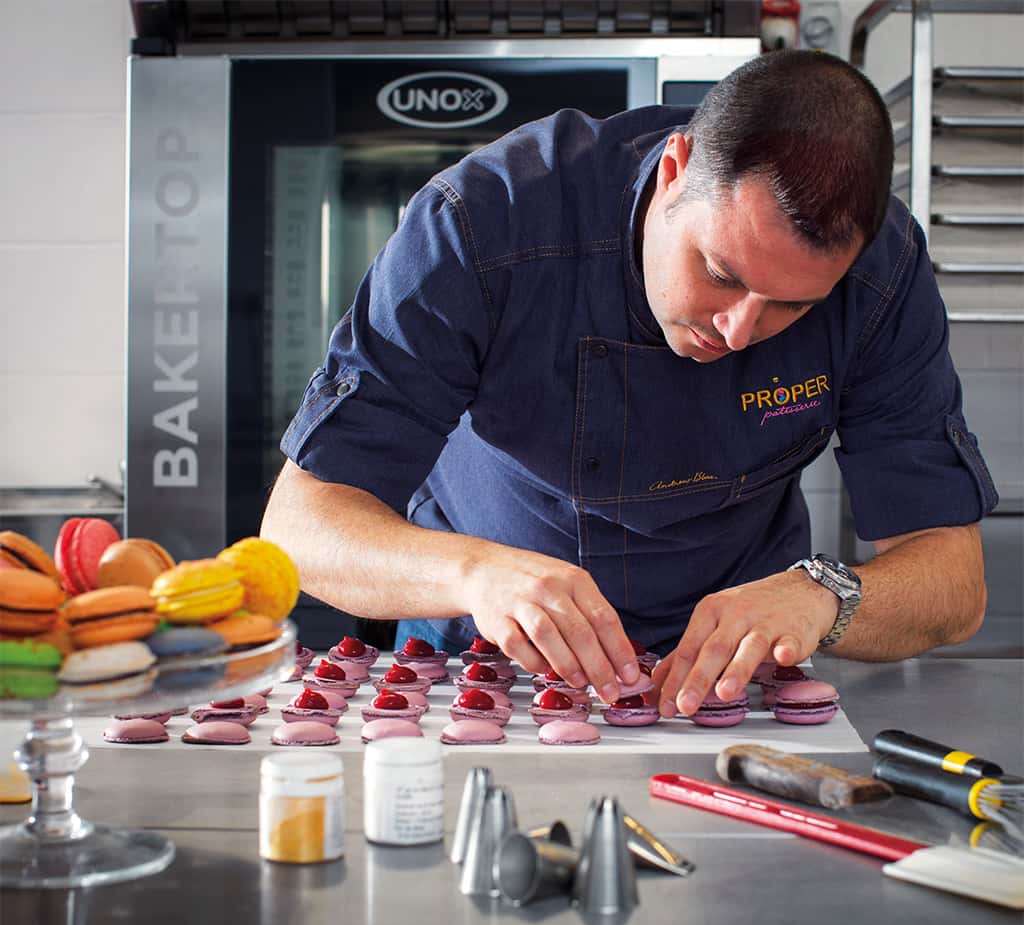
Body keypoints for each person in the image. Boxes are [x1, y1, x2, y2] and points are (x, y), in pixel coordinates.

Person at [262, 50, 997, 719]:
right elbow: (300, 532)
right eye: (721, 274)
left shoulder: (883, 278)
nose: (740, 330)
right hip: (481, 667)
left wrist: (822, 598)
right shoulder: (483, 225)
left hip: (730, 686)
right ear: (674, 172)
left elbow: (953, 583)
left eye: (792, 306)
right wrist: (476, 574)